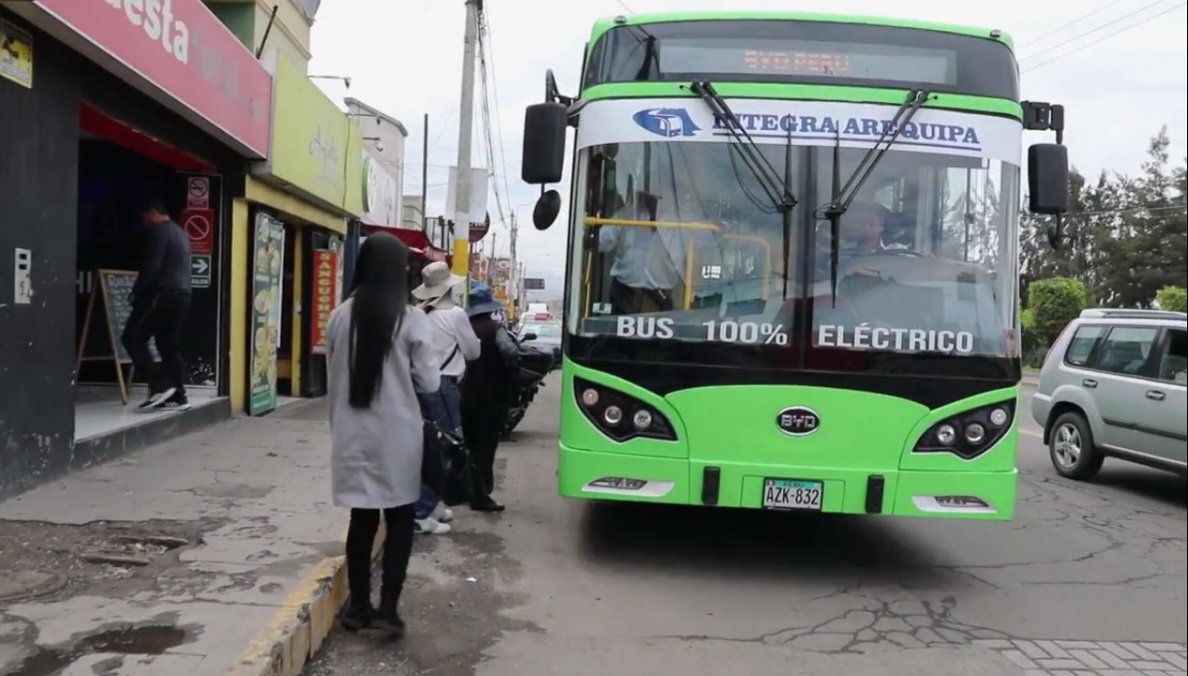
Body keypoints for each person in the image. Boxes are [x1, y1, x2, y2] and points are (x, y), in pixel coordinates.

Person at [326, 233, 440, 638]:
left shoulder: (340, 315)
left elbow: (332, 376)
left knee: (361, 519)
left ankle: (358, 607)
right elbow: (429, 382)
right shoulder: (411, 319)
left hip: (351, 434)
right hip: (398, 437)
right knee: (400, 519)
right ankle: (388, 607)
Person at [410, 261, 481, 535]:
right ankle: (422, 510)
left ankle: (433, 504)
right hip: (443, 387)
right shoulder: (455, 315)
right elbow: (473, 352)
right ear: (450, 287)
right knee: (445, 448)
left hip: (417, 387)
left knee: (426, 446)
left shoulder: (417, 314)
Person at [123, 198, 192, 411]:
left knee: (133, 338)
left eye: (144, 217)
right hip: (183, 295)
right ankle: (178, 395)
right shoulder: (179, 232)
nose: (143, 222)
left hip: (163, 294)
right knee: (168, 344)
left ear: (153, 212)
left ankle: (161, 385)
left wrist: (136, 294)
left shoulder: (160, 233)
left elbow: (151, 268)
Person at [460, 283, 520, 512]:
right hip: (491, 398)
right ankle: (481, 495)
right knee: (485, 447)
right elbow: (512, 355)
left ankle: (468, 489)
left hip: (464, 395)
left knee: (468, 444)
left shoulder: (463, 327)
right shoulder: (496, 330)